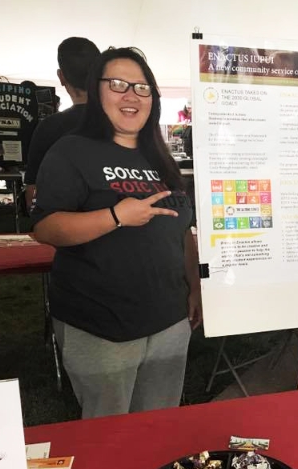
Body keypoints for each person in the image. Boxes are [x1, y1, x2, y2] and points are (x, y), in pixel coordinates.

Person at [32, 47, 200, 419]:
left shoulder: (159, 156)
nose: (131, 95)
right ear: (97, 90)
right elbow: (44, 228)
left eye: (142, 87)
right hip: (101, 325)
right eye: (119, 84)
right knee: (107, 433)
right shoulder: (72, 151)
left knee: (159, 426)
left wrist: (194, 286)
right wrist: (115, 216)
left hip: (168, 321)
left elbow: (180, 227)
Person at [24, 37, 100, 211]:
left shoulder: (48, 127)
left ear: (61, 76)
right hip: (121, 224)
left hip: (63, 226)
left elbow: (32, 196)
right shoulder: (123, 123)